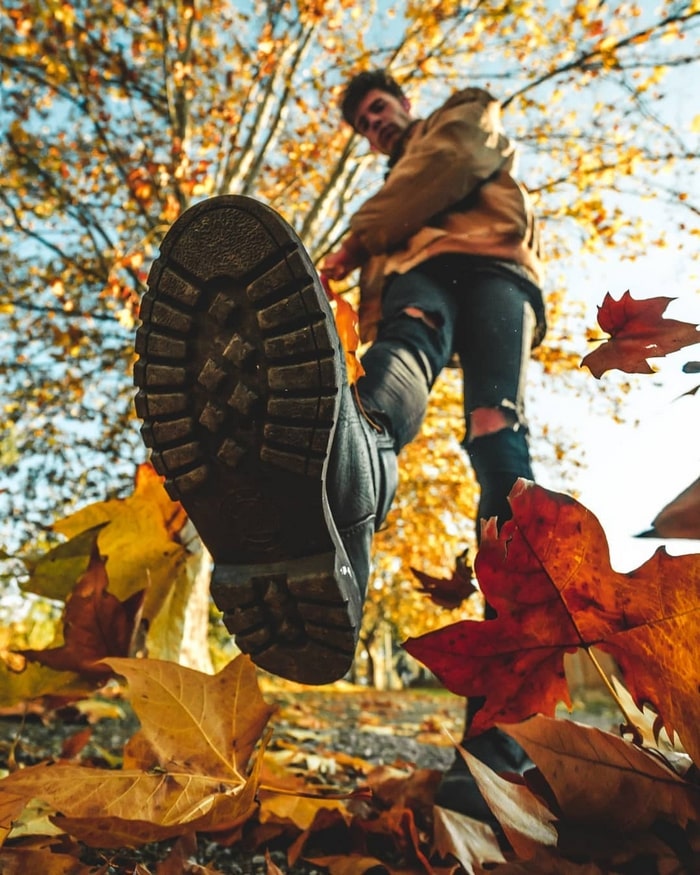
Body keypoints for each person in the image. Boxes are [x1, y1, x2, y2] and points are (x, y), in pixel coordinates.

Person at [133, 69, 545, 825]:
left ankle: (503, 731)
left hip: (495, 272)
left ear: (404, 104)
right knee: (392, 373)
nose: (374, 124)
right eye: (362, 121)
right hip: (417, 284)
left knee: (498, 438)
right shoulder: (394, 205)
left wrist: (351, 245)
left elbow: (448, 166)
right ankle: (355, 471)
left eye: (377, 109)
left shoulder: (462, 116)